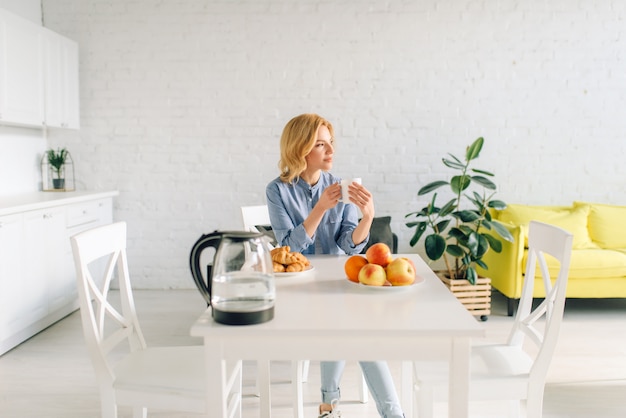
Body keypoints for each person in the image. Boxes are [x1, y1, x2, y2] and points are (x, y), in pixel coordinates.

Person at [266, 113, 405, 418]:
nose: (330, 151)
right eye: (320, 144)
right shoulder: (277, 191)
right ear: (300, 149)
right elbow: (287, 248)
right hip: (298, 290)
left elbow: (348, 244)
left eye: (330, 143)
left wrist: (367, 217)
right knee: (353, 328)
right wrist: (319, 209)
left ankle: (332, 406)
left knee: (355, 328)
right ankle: (377, 412)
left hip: (338, 283)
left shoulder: (340, 187)